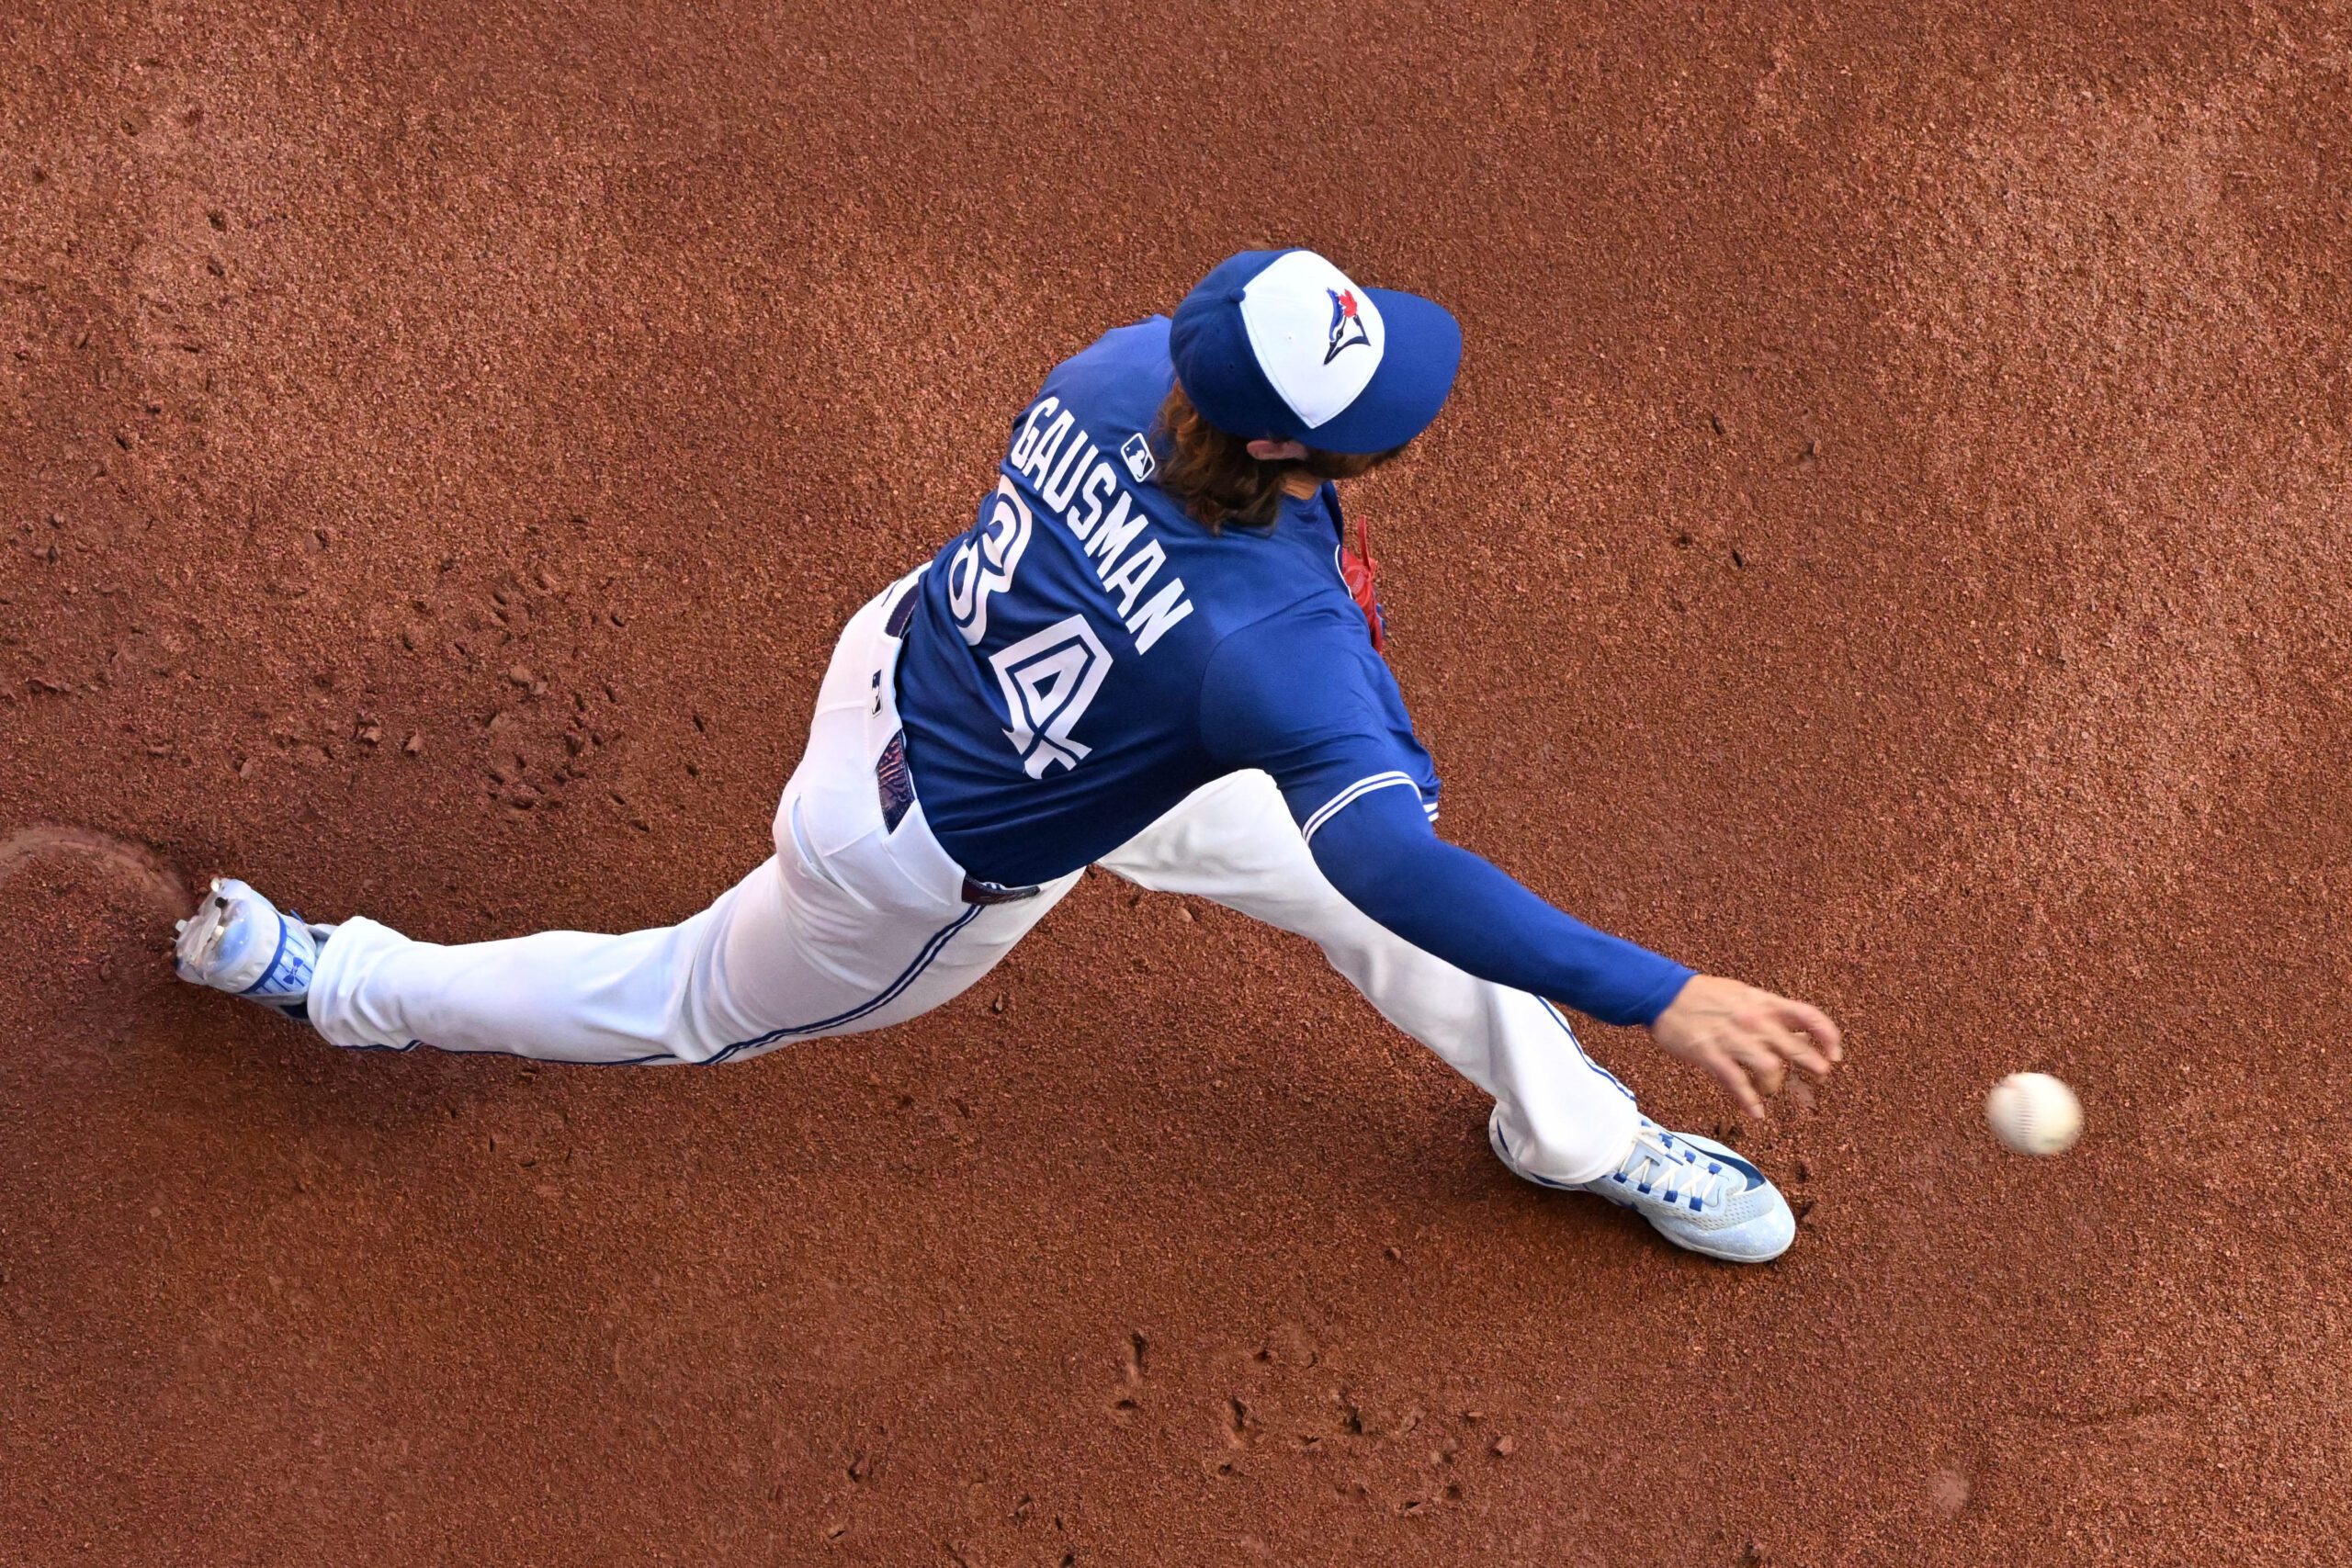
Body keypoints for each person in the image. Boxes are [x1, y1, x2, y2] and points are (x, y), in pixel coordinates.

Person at [175, 248, 1842, 1263]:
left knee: (1367, 906)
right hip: (901, 851)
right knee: (680, 1001)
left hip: (962, 660)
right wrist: (1662, 988)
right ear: (1282, 443)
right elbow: (1389, 844)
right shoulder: (1283, 651)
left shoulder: (1121, 365)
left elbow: (1362, 852)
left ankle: (1570, 1133)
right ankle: (338, 982)